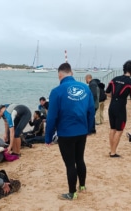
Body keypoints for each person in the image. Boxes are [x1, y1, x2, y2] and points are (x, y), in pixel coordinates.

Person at [45, 62, 95, 200]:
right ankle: (82, 186)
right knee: (80, 159)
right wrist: (89, 129)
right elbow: (91, 111)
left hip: (66, 133)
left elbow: (51, 117)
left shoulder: (56, 91)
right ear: (71, 73)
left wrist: (48, 137)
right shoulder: (85, 88)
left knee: (70, 164)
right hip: (82, 131)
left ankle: (72, 193)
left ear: (60, 75)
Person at [105, 60, 131, 158]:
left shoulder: (114, 79)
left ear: (124, 69)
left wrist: (115, 97)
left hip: (112, 106)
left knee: (112, 129)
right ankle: (113, 152)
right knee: (119, 130)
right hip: (120, 108)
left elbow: (107, 92)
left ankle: (111, 150)